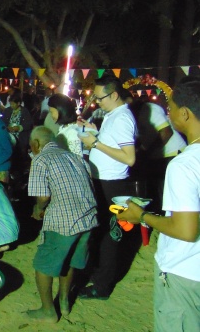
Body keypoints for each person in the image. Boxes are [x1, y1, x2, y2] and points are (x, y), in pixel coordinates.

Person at [117, 77, 200, 332]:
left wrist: (141, 216)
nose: (168, 113)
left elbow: (186, 230)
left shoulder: (184, 165)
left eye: (171, 108)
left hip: (185, 274)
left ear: (184, 113)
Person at [26, 126, 98, 322]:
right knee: (69, 260)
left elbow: (43, 197)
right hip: (88, 218)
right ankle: (64, 302)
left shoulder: (41, 159)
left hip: (64, 220)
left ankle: (48, 311)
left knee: (43, 265)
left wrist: (38, 209)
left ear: (36, 144)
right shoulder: (76, 158)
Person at [77, 74, 137, 299]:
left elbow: (129, 158)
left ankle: (102, 287)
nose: (97, 102)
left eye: (100, 98)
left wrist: (95, 143)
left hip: (113, 185)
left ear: (114, 95)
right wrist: (95, 132)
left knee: (109, 236)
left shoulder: (122, 118)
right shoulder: (113, 115)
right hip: (104, 181)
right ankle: (99, 274)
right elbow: (113, 144)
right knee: (101, 232)